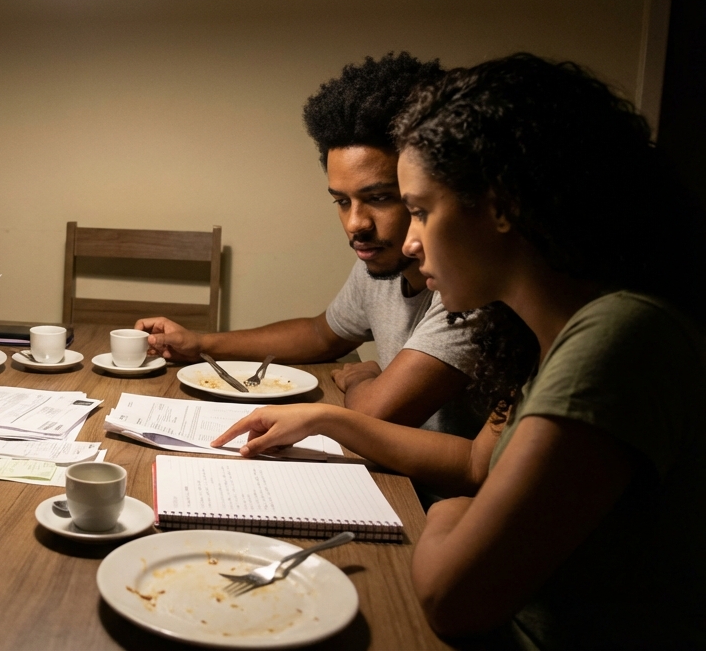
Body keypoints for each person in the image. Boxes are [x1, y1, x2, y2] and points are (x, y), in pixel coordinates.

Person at [211, 54, 706, 649]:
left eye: (419, 210)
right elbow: (478, 465)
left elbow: (451, 597)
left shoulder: (617, 337)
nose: (412, 242)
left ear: (501, 206)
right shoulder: (537, 335)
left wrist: (449, 513)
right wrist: (325, 415)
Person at [139, 53, 481, 437]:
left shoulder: (470, 284)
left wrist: (361, 378)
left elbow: (376, 413)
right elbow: (323, 334)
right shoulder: (382, 257)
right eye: (342, 201)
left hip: (423, 496)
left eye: (382, 198)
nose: (356, 224)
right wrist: (202, 342)